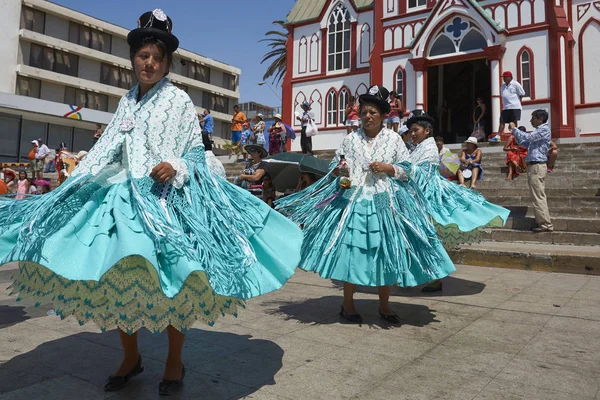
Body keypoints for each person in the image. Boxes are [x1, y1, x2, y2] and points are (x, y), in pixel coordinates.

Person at [0, 10, 302, 397]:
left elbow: (195, 154)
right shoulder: (126, 101)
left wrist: (173, 164)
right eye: (143, 56)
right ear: (133, 59)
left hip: (165, 203)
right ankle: (131, 357)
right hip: (123, 200)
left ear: (167, 63)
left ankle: (174, 360)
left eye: (157, 58)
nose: (150, 63)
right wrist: (74, 180)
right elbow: (108, 149)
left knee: (171, 283)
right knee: (120, 279)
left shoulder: (178, 101)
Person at [276, 85, 456, 324]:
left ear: (382, 116)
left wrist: (389, 168)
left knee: (384, 252)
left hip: (385, 202)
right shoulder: (350, 140)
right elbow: (335, 168)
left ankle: (384, 305)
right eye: (364, 112)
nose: (367, 116)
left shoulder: (394, 140)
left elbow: (408, 171)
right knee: (352, 253)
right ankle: (348, 304)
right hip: (354, 202)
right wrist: (340, 173)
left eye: (373, 112)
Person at [407, 111, 510, 292]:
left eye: (415, 130)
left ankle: (436, 275)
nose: (412, 134)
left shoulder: (435, 151)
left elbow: (430, 172)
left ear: (428, 132)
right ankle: (421, 273)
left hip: (431, 194)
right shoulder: (418, 148)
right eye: (411, 131)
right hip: (423, 192)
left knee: (427, 234)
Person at [509, 109, 553, 232]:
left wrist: (514, 129)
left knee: (538, 196)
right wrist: (515, 133)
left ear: (540, 119)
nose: (531, 120)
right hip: (533, 166)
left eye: (533, 118)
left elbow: (528, 137)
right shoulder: (539, 131)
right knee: (537, 195)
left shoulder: (544, 129)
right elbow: (524, 142)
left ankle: (545, 224)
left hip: (537, 166)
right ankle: (542, 222)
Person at [497, 71, 525, 137]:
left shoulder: (515, 84)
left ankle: (514, 136)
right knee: (502, 121)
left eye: (505, 77)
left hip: (514, 107)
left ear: (510, 77)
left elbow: (522, 93)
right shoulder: (502, 86)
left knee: (513, 122)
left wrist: (516, 102)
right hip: (505, 107)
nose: (503, 79)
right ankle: (498, 136)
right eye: (503, 77)